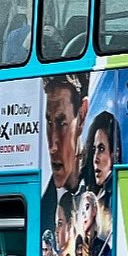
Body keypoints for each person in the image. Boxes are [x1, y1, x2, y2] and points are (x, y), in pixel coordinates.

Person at [41, 73, 89, 237]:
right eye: (49, 122)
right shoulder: (42, 209)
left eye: (62, 124)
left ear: (81, 117)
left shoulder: (103, 190)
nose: (53, 147)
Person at [81, 110, 120, 206]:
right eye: (94, 149)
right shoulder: (93, 195)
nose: (95, 159)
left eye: (101, 149)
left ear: (115, 153)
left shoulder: (117, 194)